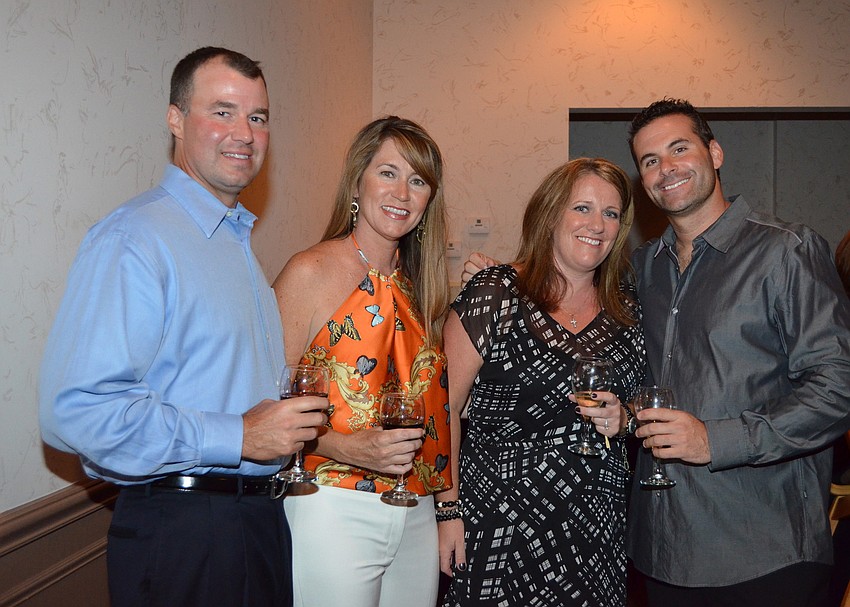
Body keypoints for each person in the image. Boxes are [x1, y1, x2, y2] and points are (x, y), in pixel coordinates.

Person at [39, 47, 328, 607]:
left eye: (258, 117)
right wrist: (236, 436)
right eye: (222, 111)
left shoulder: (234, 244)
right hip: (185, 533)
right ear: (175, 119)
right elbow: (76, 411)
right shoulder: (135, 239)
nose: (244, 132)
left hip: (257, 521)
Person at [626, 98, 850, 607]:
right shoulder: (644, 268)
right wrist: (507, 279)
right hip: (663, 550)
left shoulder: (786, 250)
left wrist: (716, 440)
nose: (666, 169)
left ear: (715, 152)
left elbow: (838, 386)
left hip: (763, 549)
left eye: (678, 149)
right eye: (650, 160)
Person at [440, 158, 645, 606]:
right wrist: (448, 512)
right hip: (498, 526)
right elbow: (442, 408)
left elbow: (645, 408)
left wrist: (626, 418)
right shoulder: (495, 292)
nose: (598, 225)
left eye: (611, 214)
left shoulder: (629, 309)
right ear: (551, 213)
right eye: (582, 208)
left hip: (595, 532)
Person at [272, 116, 454, 607]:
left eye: (418, 181)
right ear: (357, 181)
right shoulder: (308, 270)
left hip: (414, 505)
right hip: (331, 503)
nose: (402, 192)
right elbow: (266, 404)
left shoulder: (426, 288)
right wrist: (349, 449)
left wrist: (445, 509)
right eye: (388, 173)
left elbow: (440, 411)